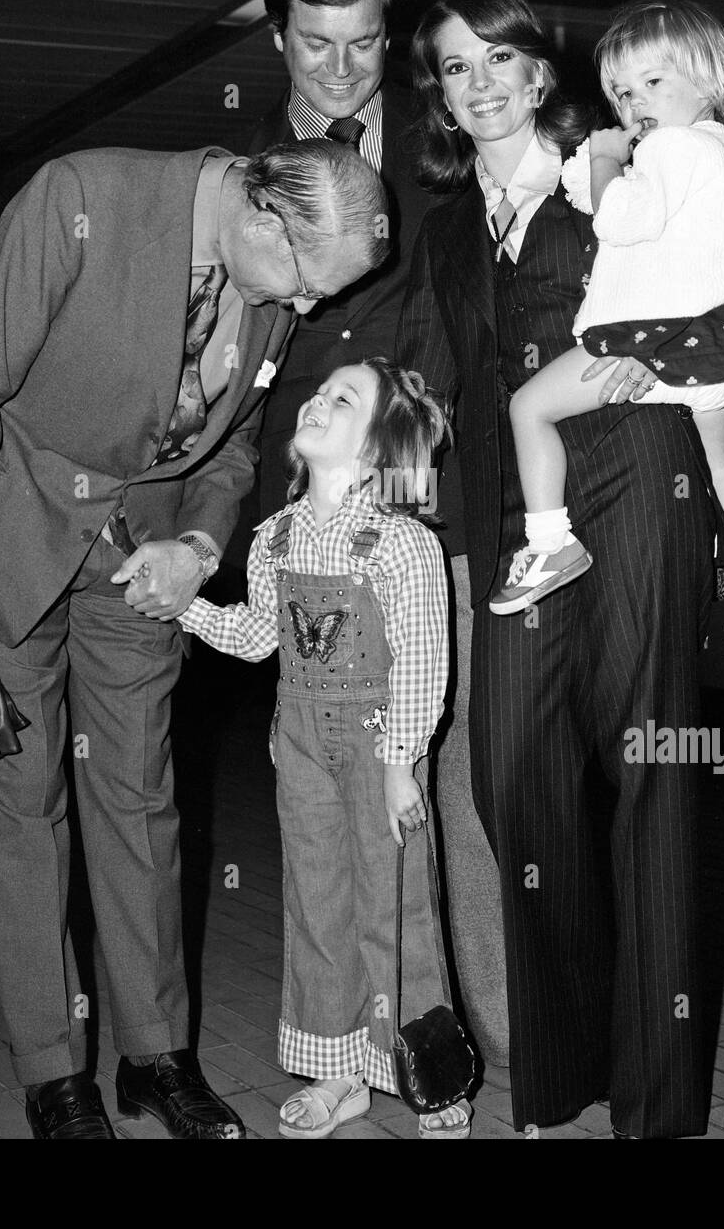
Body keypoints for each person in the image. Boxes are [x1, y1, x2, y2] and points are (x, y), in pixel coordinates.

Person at [0, 138, 388, 1140]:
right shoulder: (80, 196)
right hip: (10, 540)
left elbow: (243, 436)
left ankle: (154, 1055)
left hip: (141, 559)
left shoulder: (267, 279)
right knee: (19, 806)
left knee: (140, 800)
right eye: (304, 286)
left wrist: (202, 538)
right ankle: (54, 1074)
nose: (302, 313)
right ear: (262, 219)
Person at [398, 0, 724, 1138]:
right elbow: (449, 371)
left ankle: (656, 1105)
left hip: (644, 465)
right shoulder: (447, 224)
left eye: (499, 59)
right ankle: (567, 1064)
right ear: (442, 92)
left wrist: (674, 355)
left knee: (650, 772)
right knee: (508, 773)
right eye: (456, 68)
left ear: (536, 71)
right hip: (523, 514)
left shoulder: (621, 156)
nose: (480, 83)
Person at [243, 0, 505, 1063]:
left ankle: (496, 1029)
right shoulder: (251, 189)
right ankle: (369, 1036)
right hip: (321, 556)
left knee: (465, 777)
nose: (342, 72)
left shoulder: (456, 148)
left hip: (444, 522)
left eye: (363, 44)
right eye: (316, 45)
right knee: (348, 808)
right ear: (275, 35)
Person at [177, 357, 472, 1138]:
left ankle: (426, 1069)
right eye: (319, 389)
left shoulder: (404, 544)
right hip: (302, 749)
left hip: (382, 752)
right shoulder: (273, 538)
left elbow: (422, 659)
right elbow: (253, 638)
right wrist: (188, 609)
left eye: (344, 398)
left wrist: (402, 763)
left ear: (375, 452)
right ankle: (339, 1072)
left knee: (397, 903)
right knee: (316, 906)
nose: (318, 397)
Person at [494, 2, 724, 654]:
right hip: (713, 354)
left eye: (653, 82)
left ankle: (548, 543)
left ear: (706, 79)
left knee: (529, 407)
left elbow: (617, 220)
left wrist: (602, 163)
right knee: (723, 459)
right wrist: (598, 167)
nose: (634, 102)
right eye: (622, 92)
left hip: (645, 340)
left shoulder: (675, 147)